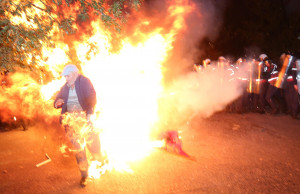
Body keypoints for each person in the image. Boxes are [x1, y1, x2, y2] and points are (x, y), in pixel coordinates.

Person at [54, 64, 101, 187]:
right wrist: (57, 102)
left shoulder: (84, 82)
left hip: (85, 119)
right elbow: (58, 97)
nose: (66, 78)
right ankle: (84, 175)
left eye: (67, 76)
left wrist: (90, 112)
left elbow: (92, 98)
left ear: (74, 74)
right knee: (79, 150)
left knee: (93, 145)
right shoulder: (65, 87)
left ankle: (100, 161)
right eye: (65, 76)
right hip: (71, 122)